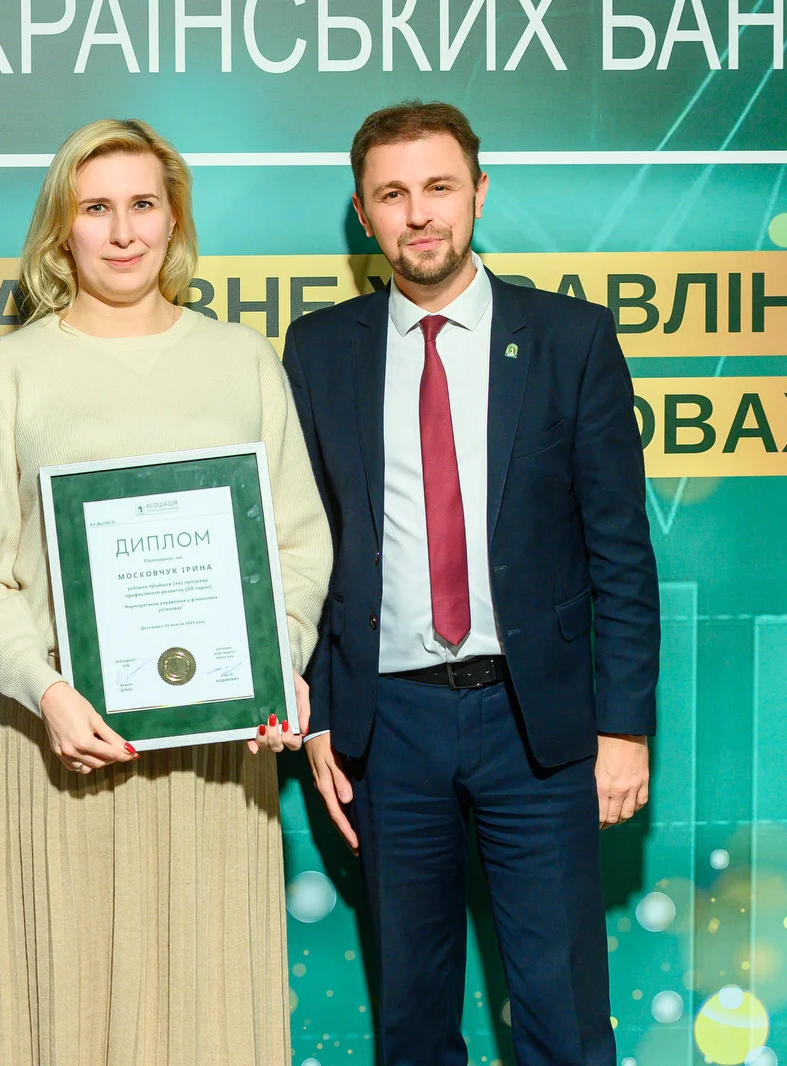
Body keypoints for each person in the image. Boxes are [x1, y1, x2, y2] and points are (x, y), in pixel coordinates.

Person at [0, 118, 332, 1065]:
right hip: (61, 747)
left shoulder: (243, 360)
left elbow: (297, 544)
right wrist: (46, 692)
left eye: (143, 205)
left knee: (211, 1013)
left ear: (174, 220)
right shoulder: (7, 370)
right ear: (61, 229)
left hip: (218, 752)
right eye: (96, 208)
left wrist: (274, 666)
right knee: (69, 1012)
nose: (123, 232)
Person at [284, 100, 660, 1066]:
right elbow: (305, 548)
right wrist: (321, 715)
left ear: (480, 193)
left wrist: (624, 729)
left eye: (440, 187)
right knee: (412, 1022)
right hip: (388, 729)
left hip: (537, 725)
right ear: (363, 213)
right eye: (392, 194)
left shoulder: (572, 339)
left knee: (563, 1018)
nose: (419, 214)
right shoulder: (318, 351)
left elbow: (621, 550)